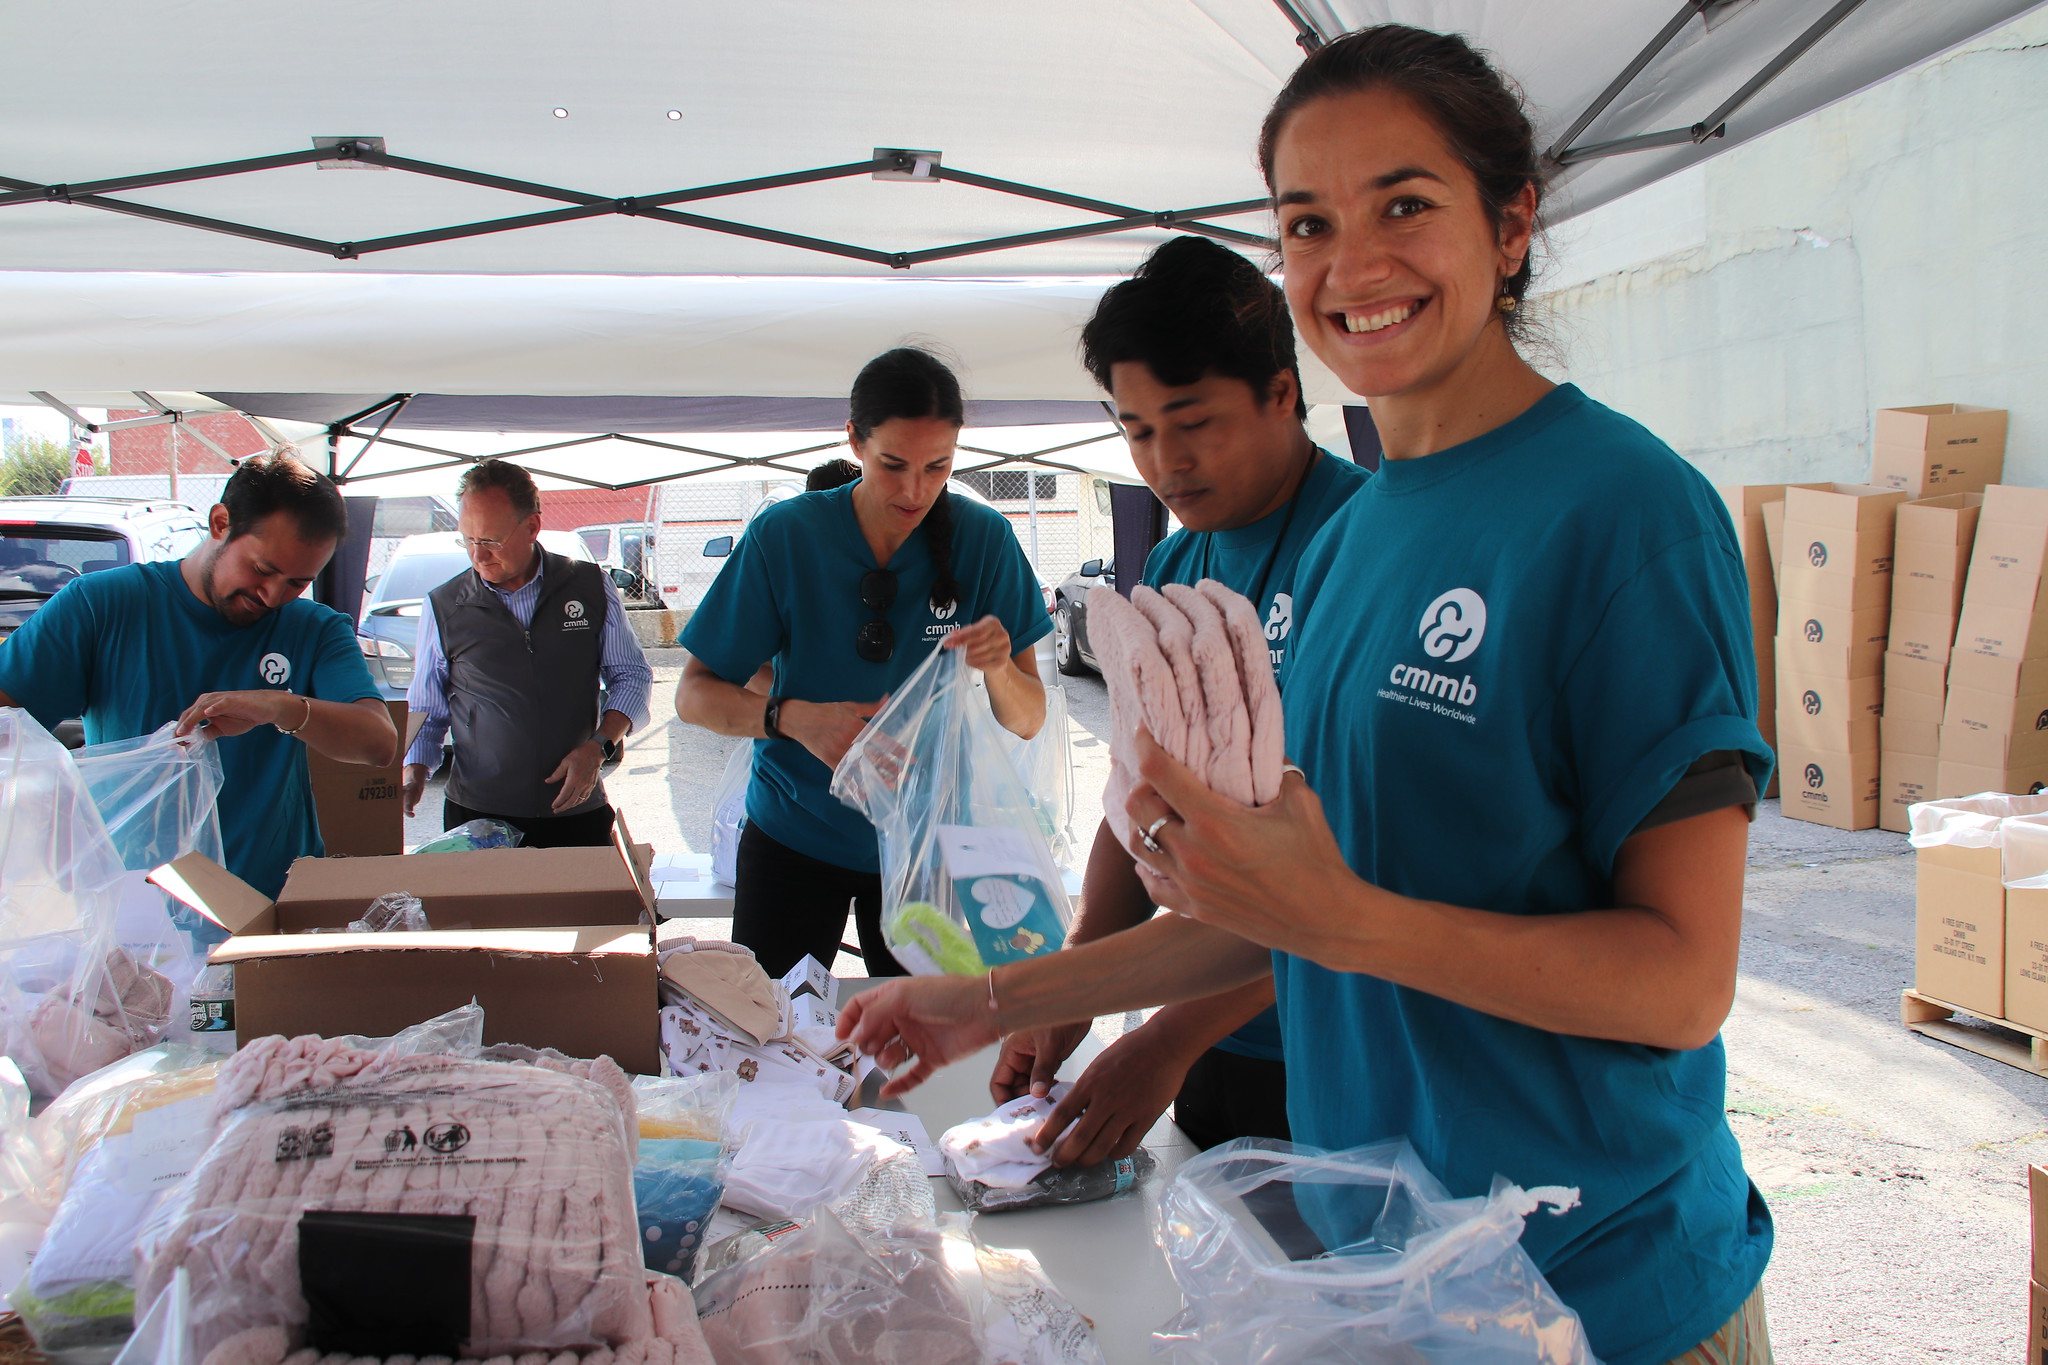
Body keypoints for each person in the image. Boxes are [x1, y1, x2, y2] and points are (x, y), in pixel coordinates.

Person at [840, 26, 1773, 1365]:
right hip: (1389, 1283)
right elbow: (1285, 918)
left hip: (1602, 1291)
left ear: (1512, 224)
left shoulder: (1627, 515)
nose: (1355, 263)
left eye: (1406, 204)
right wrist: (986, 999)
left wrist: (1352, 924)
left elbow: (1682, 983)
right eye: (1309, 222)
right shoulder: (1356, 535)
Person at [992, 236, 1370, 1166]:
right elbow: (1136, 796)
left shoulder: (1366, 549)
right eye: (1137, 429)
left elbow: (1365, 858)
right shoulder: (1170, 567)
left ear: (1282, 391)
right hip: (1206, 1041)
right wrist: (1076, 980)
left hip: (1338, 1037)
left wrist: (1164, 1037)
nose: (1165, 461)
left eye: (1192, 420)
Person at [676, 347, 1051, 979]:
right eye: (893, 464)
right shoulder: (787, 536)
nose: (914, 491)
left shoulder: (984, 541)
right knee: (774, 1040)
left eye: (938, 467)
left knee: (917, 1054)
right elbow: (693, 695)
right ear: (853, 440)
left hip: (926, 848)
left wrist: (997, 668)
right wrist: (794, 719)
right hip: (793, 832)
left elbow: (1029, 717)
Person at [0, 454, 397, 900]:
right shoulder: (102, 605)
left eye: (296, 582)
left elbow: (379, 744)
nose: (271, 595)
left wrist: (281, 707)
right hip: (135, 904)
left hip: (269, 901)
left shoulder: (314, 628)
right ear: (220, 522)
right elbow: (8, 711)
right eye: (263, 570)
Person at [402, 459, 653, 848]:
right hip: (478, 816)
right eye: (467, 540)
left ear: (532, 527)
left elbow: (631, 676)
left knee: (585, 910)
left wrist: (599, 746)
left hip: (575, 810)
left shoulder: (588, 586)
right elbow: (427, 709)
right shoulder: (444, 605)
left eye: (490, 541)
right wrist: (414, 770)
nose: (478, 556)